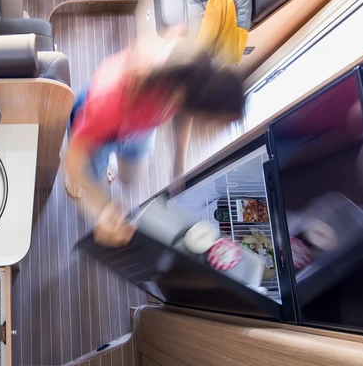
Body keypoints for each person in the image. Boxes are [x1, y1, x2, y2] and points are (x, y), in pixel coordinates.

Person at [64, 40, 244, 248]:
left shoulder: (191, 78)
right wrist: (103, 209)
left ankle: (105, 166)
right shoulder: (111, 99)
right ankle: (89, 173)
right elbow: (72, 157)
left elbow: (184, 115)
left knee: (130, 177)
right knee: (87, 182)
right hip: (98, 131)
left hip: (138, 127)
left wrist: (178, 167)